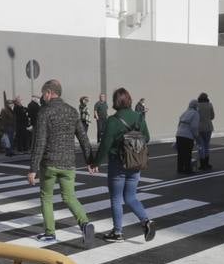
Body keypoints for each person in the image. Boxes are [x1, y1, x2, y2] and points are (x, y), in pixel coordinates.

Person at [28, 79, 96, 246]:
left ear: (50, 93)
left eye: (43, 94)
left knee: (46, 197)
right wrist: (90, 160)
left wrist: (33, 168)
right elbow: (83, 138)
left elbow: (40, 142)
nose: (42, 97)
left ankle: (50, 232)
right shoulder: (72, 111)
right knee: (70, 197)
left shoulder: (45, 112)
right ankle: (85, 223)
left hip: (49, 163)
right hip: (69, 164)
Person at [91, 87, 155, 242]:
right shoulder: (139, 117)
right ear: (129, 100)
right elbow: (146, 137)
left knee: (116, 198)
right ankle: (146, 221)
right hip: (135, 162)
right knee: (131, 196)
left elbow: (105, 144)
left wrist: (95, 163)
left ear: (115, 102)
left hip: (118, 163)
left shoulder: (113, 120)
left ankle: (118, 232)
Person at [174, 100, 199, 174]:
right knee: (187, 153)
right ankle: (188, 169)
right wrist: (196, 136)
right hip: (188, 136)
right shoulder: (195, 114)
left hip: (179, 134)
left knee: (180, 153)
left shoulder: (185, 112)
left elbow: (178, 124)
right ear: (196, 106)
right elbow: (194, 127)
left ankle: (180, 168)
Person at [195, 92, 215, 171]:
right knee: (207, 145)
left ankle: (202, 164)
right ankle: (207, 163)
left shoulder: (197, 105)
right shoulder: (210, 105)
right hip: (208, 127)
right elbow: (212, 116)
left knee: (201, 146)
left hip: (199, 128)